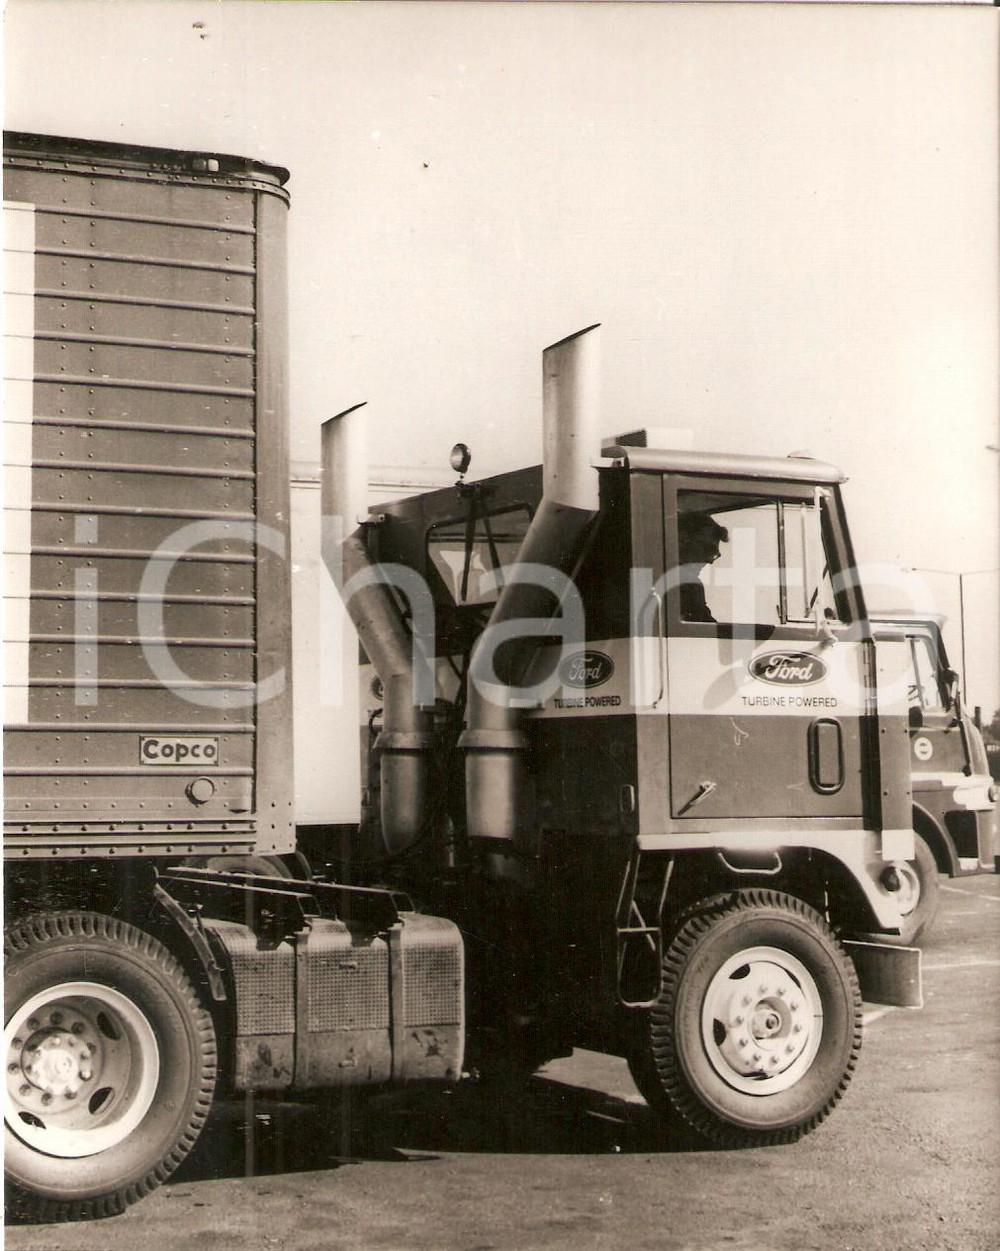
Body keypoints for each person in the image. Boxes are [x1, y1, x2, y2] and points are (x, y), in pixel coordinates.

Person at [677, 512, 729, 622]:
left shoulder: (692, 585)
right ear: (682, 540)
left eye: (715, 553)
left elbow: (707, 628)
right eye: (707, 549)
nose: (710, 560)